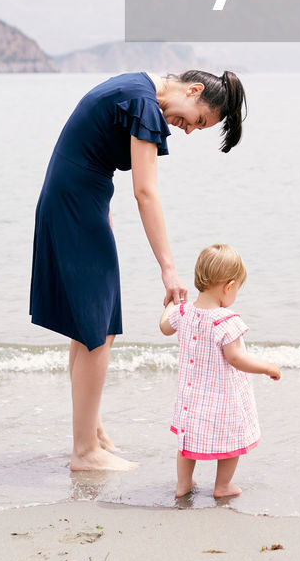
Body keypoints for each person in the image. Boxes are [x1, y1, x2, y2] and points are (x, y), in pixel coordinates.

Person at [30, 69, 246, 472]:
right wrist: (169, 269)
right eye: (197, 120)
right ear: (193, 90)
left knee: (89, 328)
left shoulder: (135, 90)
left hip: (78, 203)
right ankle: (84, 452)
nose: (187, 130)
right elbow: (146, 192)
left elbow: (88, 152)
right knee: (99, 330)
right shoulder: (143, 102)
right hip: (76, 205)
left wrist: (102, 213)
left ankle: (90, 435)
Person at [159, 243, 281, 499]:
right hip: (222, 399)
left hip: (190, 399)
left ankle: (183, 484)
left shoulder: (183, 312)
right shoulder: (226, 321)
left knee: (186, 442)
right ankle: (222, 486)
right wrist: (266, 367)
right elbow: (236, 358)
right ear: (229, 286)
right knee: (232, 441)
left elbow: (164, 327)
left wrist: (171, 303)